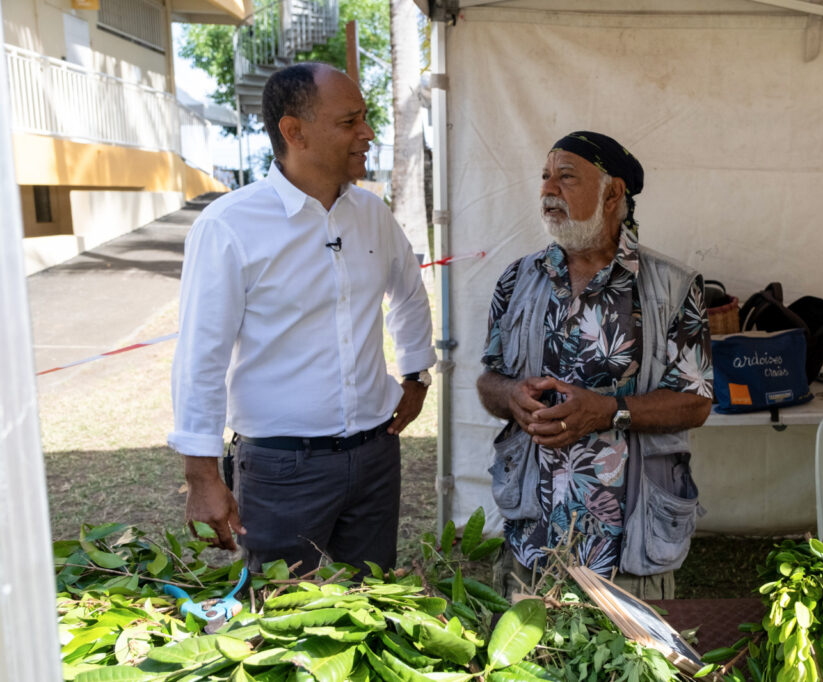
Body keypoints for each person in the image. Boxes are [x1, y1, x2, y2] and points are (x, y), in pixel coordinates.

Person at [168, 63, 436, 577]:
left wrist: (416, 374)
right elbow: (201, 356)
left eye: (366, 119)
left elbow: (408, 292)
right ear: (294, 132)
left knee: (373, 601)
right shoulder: (229, 227)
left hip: (376, 455)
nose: (368, 133)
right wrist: (201, 475)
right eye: (350, 121)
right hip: (280, 468)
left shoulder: (371, 214)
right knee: (282, 621)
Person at [477, 131, 713, 599]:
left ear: (613, 194)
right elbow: (489, 379)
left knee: (625, 668)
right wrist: (511, 398)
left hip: (629, 541)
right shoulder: (517, 279)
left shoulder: (672, 286)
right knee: (530, 665)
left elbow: (694, 403)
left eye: (566, 178)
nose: (548, 190)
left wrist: (607, 411)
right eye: (545, 178)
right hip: (534, 533)